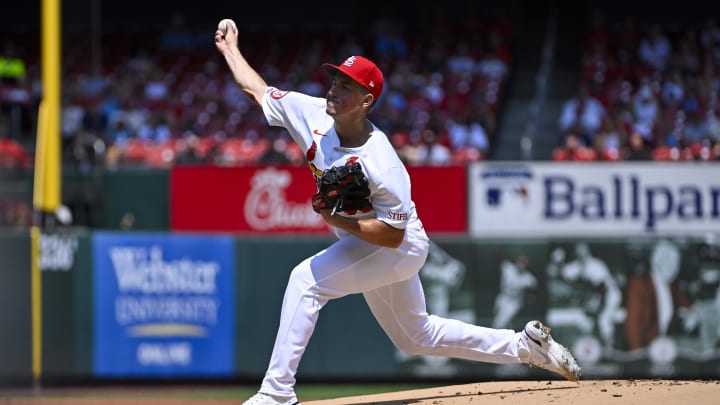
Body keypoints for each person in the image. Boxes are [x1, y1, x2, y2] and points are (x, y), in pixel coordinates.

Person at [214, 19, 580, 405]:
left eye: (345, 86)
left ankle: (276, 393)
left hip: (399, 246)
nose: (333, 89)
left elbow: (393, 236)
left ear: (366, 101)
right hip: (369, 241)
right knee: (417, 337)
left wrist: (336, 218)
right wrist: (230, 50)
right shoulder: (312, 114)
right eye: (335, 80)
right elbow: (255, 89)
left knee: (306, 281)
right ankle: (526, 346)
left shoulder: (383, 163)